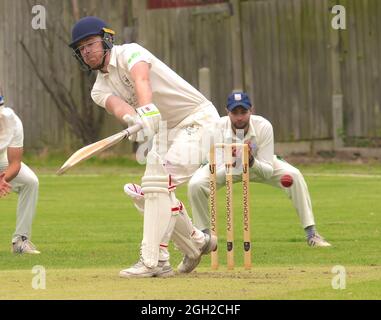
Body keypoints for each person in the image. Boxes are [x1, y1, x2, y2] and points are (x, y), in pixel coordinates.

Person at [69, 16, 220, 278]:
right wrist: (134, 120)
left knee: (159, 185)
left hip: (197, 119)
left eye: (90, 44)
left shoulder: (131, 52)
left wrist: (147, 109)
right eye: (81, 49)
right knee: (150, 192)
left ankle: (153, 261)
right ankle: (197, 242)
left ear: (106, 40)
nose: (86, 52)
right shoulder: (98, 89)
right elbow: (120, 107)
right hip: (165, 131)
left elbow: (141, 80)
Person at [187, 91, 331, 259]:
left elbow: (268, 169)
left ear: (251, 111)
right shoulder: (216, 128)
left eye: (243, 112)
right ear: (227, 112)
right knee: (196, 184)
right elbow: (217, 169)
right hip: (226, 168)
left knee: (294, 176)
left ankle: (312, 234)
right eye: (235, 113)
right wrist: (234, 160)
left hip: (258, 165)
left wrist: (250, 160)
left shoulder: (263, 126)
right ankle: (203, 239)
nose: (239, 117)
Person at [0, 93, 40, 254]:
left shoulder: (13, 122)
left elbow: (15, 163)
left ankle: (20, 242)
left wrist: (2, 180)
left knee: (30, 182)